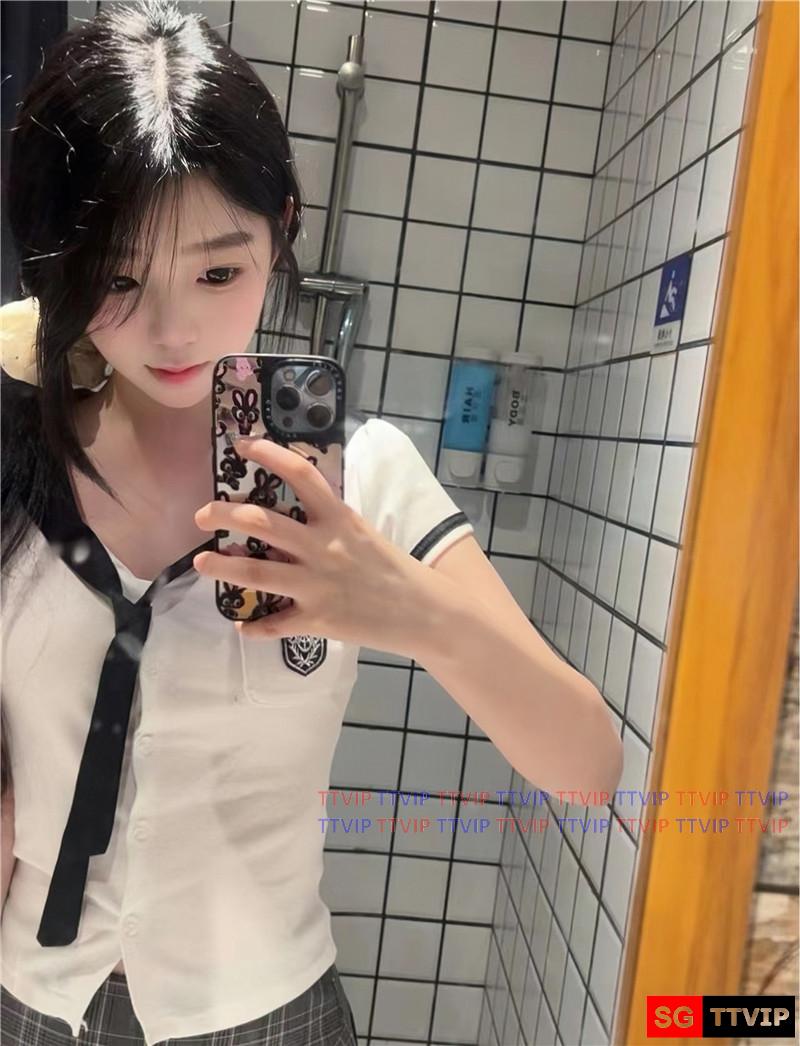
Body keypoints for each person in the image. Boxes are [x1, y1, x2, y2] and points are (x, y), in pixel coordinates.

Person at [0, 2, 623, 1044]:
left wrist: (406, 607)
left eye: (218, 270)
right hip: (27, 999)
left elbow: (586, 767)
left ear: (280, 228)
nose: (172, 329)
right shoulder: (17, 459)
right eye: (115, 276)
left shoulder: (367, 480)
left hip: (267, 1012)